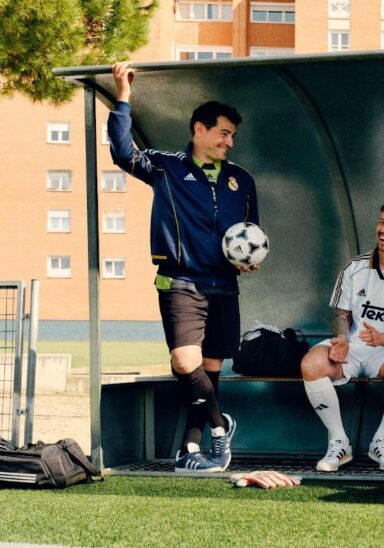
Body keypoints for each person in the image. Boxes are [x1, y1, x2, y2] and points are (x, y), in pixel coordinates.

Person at [108, 62, 257, 473]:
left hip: (224, 286)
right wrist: (124, 98)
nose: (229, 142)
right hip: (180, 283)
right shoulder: (166, 167)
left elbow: (251, 231)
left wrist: (248, 259)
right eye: (224, 133)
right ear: (200, 130)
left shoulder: (241, 181)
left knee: (209, 372)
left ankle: (190, 450)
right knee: (185, 365)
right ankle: (220, 425)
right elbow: (122, 152)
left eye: (232, 136)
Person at [300, 200, 384, 472]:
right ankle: (339, 442)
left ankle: (381, 440)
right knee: (310, 364)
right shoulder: (355, 267)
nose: (383, 229)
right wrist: (342, 338)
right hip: (353, 347)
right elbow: (341, 315)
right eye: (381, 222)